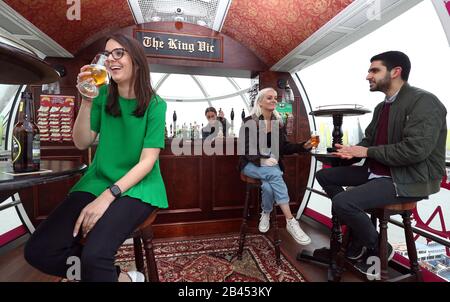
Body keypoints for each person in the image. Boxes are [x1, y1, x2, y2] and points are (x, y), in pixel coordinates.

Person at [24, 34, 168, 282]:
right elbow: (81, 141)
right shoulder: (101, 96)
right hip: (97, 180)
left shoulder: (155, 105)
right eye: (107, 54)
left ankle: (103, 273)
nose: (111, 59)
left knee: (95, 254)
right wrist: (87, 102)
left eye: (118, 53)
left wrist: (108, 196)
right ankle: (121, 278)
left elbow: (147, 162)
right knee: (39, 251)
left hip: (139, 186)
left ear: (136, 59)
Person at [315, 51, 447, 278]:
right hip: (376, 171)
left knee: (343, 203)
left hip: (406, 178)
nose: (368, 76)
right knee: (325, 177)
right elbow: (369, 141)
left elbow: (415, 150)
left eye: (374, 70)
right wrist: (351, 152)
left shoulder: (425, 101)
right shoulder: (381, 107)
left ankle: (377, 246)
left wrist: (366, 151)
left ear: (396, 72)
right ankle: (361, 230)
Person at [238, 87, 312, 245]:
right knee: (275, 174)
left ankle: (266, 212)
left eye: (275, 98)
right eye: (269, 98)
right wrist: (262, 160)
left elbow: (284, 146)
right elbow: (245, 149)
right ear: (260, 102)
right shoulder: (249, 122)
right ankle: (291, 220)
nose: (274, 100)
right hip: (251, 163)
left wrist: (302, 146)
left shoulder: (278, 123)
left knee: (269, 186)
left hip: (272, 163)